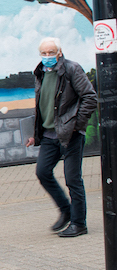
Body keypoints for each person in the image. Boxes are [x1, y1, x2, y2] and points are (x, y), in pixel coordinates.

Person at [26, 37, 97, 237]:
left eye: (51, 52)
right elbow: (43, 106)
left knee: (73, 179)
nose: (47, 56)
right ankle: (66, 210)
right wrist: (34, 133)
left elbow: (90, 97)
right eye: (44, 53)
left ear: (59, 52)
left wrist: (76, 125)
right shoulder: (40, 72)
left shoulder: (72, 69)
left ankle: (79, 223)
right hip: (49, 135)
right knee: (42, 172)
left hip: (70, 135)